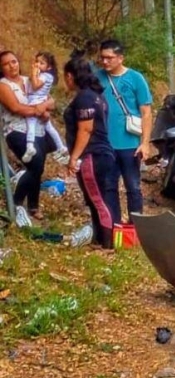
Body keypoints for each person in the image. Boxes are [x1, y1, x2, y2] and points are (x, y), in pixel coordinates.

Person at [63, 57, 119, 249]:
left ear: (70, 76)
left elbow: (85, 130)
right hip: (102, 153)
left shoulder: (85, 98)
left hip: (92, 155)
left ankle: (108, 243)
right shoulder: (97, 96)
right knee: (95, 198)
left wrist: (74, 157)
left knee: (98, 199)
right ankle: (99, 238)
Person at [96, 39, 153, 222]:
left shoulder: (136, 78)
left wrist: (145, 143)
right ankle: (113, 225)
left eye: (109, 58)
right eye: (102, 58)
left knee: (133, 187)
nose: (105, 61)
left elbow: (146, 112)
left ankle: (136, 225)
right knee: (108, 186)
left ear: (120, 58)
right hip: (105, 145)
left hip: (130, 144)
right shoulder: (97, 78)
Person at [0, 51, 55, 221]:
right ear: (1, 68)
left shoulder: (29, 80)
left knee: (38, 167)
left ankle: (33, 206)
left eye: (14, 61)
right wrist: (39, 109)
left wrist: (44, 106)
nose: (12, 66)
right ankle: (15, 203)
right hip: (16, 131)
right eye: (6, 64)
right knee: (35, 165)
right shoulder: (3, 86)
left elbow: (51, 101)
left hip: (37, 129)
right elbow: (16, 108)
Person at [23, 52, 69, 164]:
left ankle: (30, 145)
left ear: (49, 67)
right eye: (36, 61)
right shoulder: (44, 75)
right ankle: (61, 146)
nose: (38, 64)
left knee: (31, 123)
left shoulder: (45, 76)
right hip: (40, 101)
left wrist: (34, 73)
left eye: (41, 63)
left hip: (36, 103)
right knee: (49, 127)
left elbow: (35, 86)